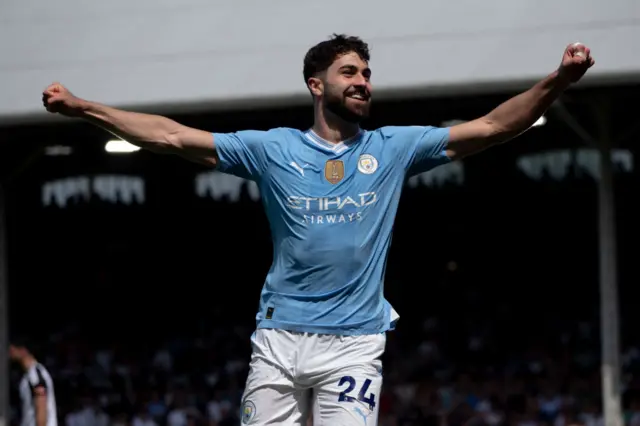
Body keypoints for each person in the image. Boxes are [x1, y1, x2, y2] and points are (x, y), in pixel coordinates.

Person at [41, 34, 594, 425]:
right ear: (316, 84)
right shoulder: (272, 148)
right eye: (349, 73)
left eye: (367, 74)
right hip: (278, 342)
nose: (362, 82)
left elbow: (496, 126)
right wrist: (83, 108)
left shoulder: (393, 147)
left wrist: (560, 80)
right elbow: (170, 136)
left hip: (354, 344)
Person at [9, 340, 58, 426]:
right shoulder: (27, 376)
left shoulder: (36, 374)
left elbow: (41, 406)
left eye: (13, 348)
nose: (10, 352)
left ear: (23, 350)